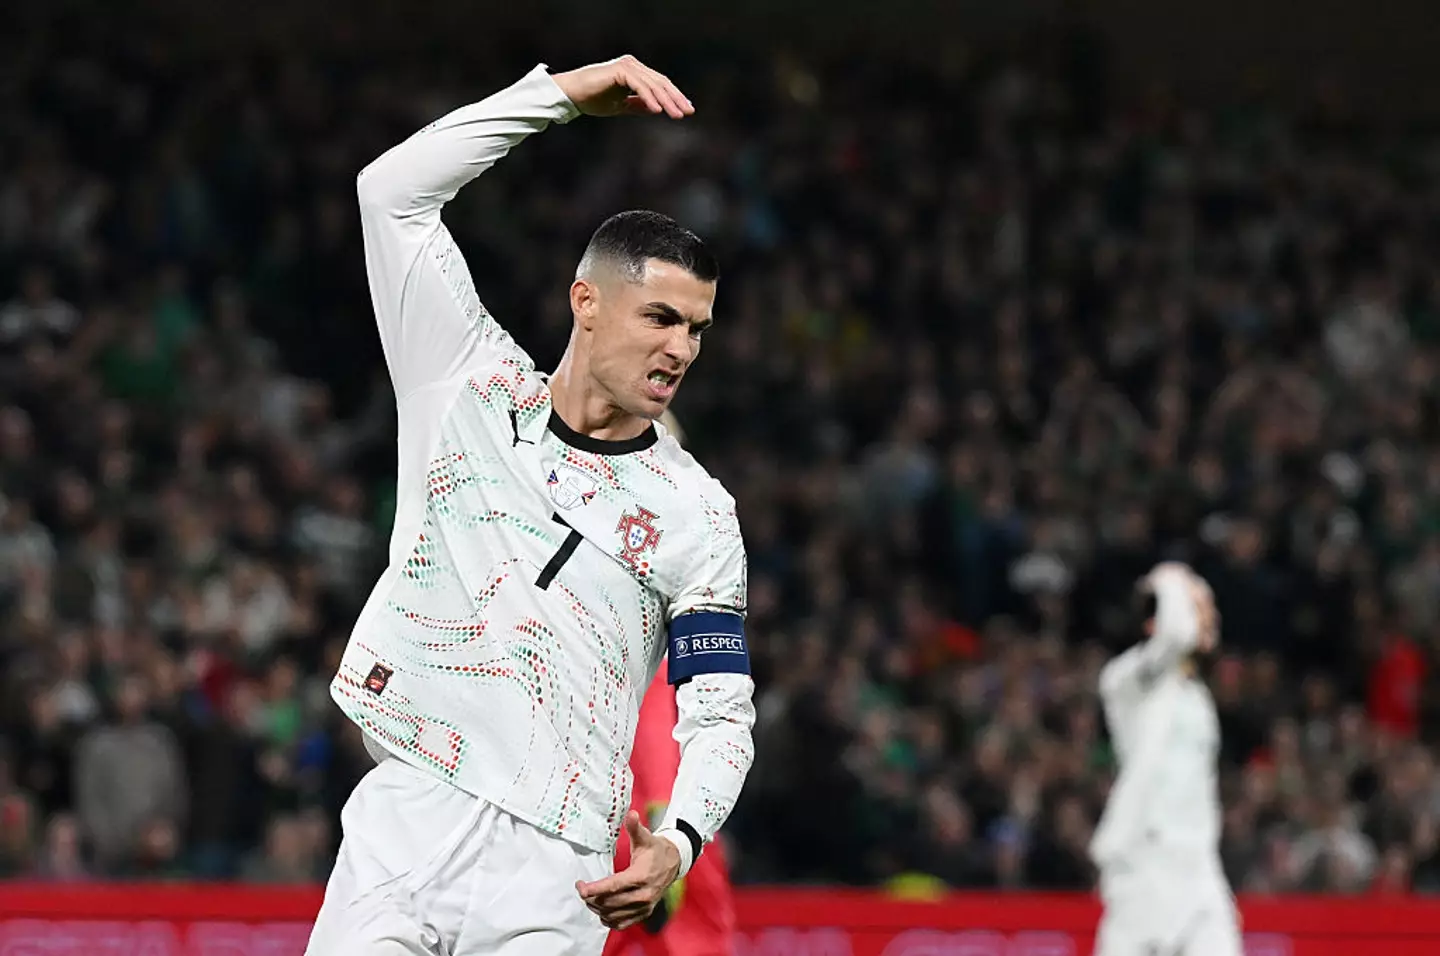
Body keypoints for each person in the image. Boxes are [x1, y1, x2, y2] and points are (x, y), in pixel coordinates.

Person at [305, 56, 756, 956]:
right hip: (413, 815)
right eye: (659, 318)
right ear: (587, 302)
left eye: (697, 328)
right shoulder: (464, 383)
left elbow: (721, 709)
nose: (681, 348)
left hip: (558, 876)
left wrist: (680, 841)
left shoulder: (696, 513)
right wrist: (554, 99)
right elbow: (387, 193)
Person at [1090, 562, 1243, 956]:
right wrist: (1170, 580)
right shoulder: (1126, 682)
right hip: (1146, 862)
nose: (1211, 615)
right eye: (1199, 605)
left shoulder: (1196, 696)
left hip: (1199, 865)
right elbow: (1177, 634)